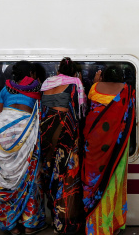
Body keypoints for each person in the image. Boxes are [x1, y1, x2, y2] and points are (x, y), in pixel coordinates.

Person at [0, 60, 47, 235]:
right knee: (29, 177)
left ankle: (11, 226)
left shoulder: (4, 90)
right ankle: (29, 225)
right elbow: (41, 114)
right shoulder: (37, 89)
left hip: (1, 132)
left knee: (3, 177)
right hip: (25, 132)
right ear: (31, 73)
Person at [82, 66, 136, 235]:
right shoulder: (127, 91)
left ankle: (94, 226)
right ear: (122, 77)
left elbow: (91, 105)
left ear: (103, 76)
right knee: (114, 180)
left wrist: (97, 81)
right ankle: (111, 223)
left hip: (93, 141)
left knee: (93, 179)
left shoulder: (94, 88)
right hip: (117, 143)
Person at [40, 57, 86, 234]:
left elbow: (43, 107)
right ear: (74, 72)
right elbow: (79, 110)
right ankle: (65, 222)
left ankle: (53, 215)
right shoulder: (75, 83)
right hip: (64, 129)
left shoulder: (46, 83)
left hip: (46, 130)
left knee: (50, 170)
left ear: (58, 70)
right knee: (66, 174)